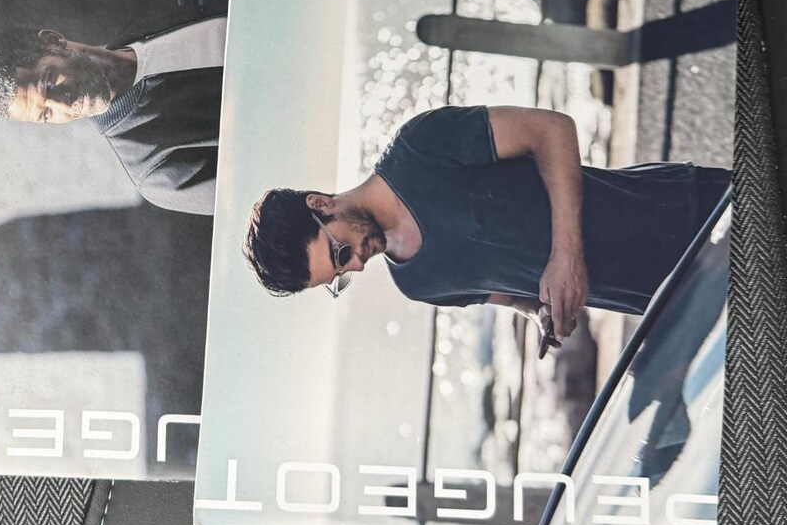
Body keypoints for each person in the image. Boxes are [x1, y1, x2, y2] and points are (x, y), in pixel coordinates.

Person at [244, 103, 729, 343]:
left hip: (689, 213)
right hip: (675, 300)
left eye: (339, 252)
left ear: (321, 203)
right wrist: (542, 314)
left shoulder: (419, 147)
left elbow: (551, 129)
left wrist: (566, 255)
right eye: (340, 276)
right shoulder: (417, 283)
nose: (356, 265)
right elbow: (513, 296)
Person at [0, 14, 225, 215]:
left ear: (54, 41)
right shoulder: (158, 171)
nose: (64, 105)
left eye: (49, 85)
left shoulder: (147, 28)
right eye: (47, 114)